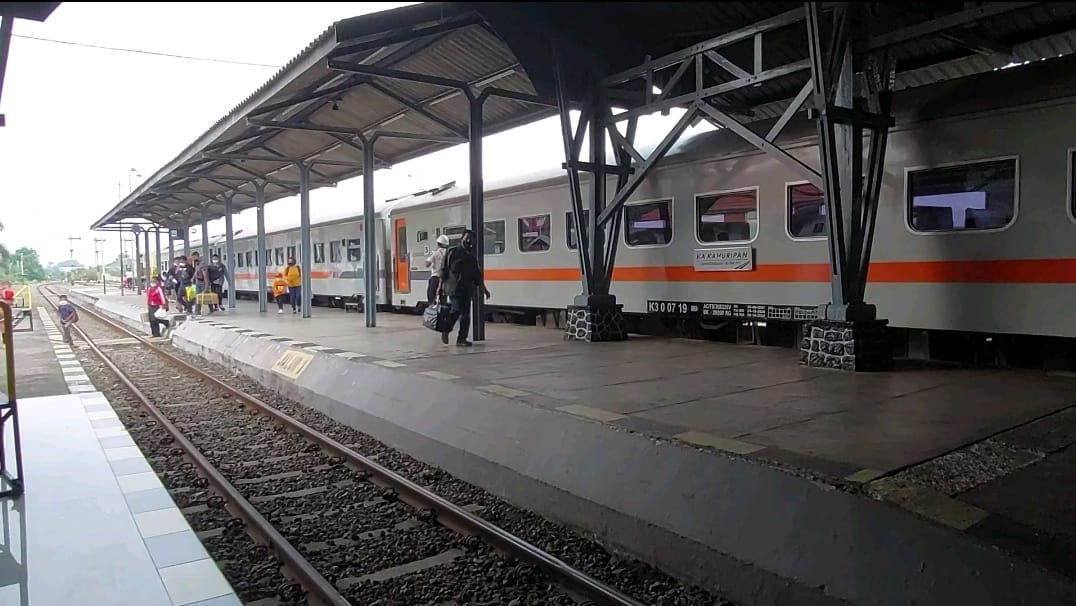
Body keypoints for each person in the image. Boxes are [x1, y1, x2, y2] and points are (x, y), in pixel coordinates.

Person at [439, 229, 490, 347]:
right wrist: (440, 287)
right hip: (454, 289)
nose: (468, 241)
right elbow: (444, 270)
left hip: (466, 290)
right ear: (461, 239)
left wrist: (484, 290)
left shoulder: (471, 258)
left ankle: (461, 339)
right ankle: (446, 329)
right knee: (457, 310)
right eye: (467, 238)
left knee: (465, 315)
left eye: (471, 239)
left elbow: (477, 277)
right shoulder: (452, 252)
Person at [425, 235, 450, 305]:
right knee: (443, 297)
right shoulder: (449, 253)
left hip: (435, 278)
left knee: (431, 295)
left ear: (438, 244)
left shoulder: (436, 253)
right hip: (445, 279)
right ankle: (443, 308)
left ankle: (432, 307)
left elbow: (427, 264)